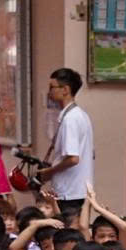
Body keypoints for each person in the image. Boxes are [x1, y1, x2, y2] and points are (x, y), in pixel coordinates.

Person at [42, 67, 93, 228]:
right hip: (76, 189)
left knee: (67, 236)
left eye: (52, 87)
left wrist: (48, 172)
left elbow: (73, 158)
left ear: (65, 90)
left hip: (69, 192)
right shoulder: (79, 115)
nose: (49, 92)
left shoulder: (71, 118)